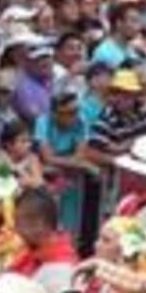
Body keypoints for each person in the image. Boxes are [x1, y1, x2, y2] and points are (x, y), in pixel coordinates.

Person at [34, 90, 92, 236]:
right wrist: (80, 164)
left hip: (70, 180)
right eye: (69, 112)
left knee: (69, 226)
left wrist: (76, 163)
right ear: (55, 113)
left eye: (76, 110)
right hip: (45, 179)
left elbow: (80, 156)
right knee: (47, 221)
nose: (74, 116)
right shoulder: (43, 121)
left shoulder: (81, 121)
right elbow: (47, 157)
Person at [8, 186, 78, 293]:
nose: (17, 229)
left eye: (20, 223)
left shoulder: (61, 269)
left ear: (40, 224)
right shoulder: (30, 254)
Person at [86, 68, 146, 162]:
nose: (120, 97)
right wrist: (120, 159)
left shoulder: (144, 114)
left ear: (135, 95)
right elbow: (91, 152)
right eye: (116, 92)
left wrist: (121, 147)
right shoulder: (107, 116)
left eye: (126, 94)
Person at [91, 2, 143, 68]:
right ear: (119, 23)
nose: (138, 27)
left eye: (138, 22)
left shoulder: (134, 51)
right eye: (133, 21)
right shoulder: (104, 52)